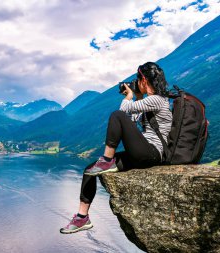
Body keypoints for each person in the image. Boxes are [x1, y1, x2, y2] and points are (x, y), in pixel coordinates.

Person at [60, 62, 173, 234]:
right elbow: (132, 122)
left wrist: (129, 96)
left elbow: (123, 111)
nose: (135, 82)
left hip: (152, 153)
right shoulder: (151, 101)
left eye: (137, 78)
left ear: (143, 79)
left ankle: (107, 159)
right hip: (143, 152)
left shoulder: (158, 100)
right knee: (90, 169)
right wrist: (137, 96)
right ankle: (82, 217)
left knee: (117, 115)